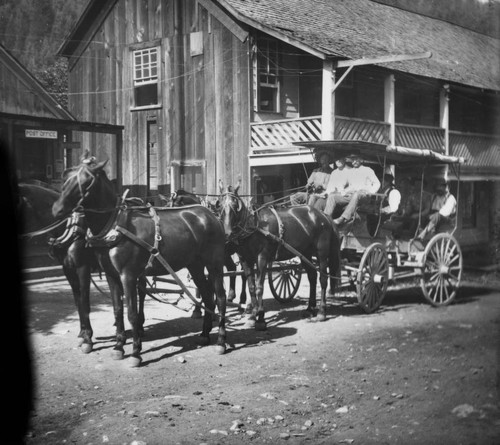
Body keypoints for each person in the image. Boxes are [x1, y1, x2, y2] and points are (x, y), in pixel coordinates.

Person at [323, 154, 381, 225]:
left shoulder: (367, 170)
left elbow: (377, 183)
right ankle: (326, 219)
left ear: (361, 160)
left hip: (364, 196)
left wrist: (370, 192)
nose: (354, 161)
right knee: (332, 196)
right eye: (353, 160)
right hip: (353, 195)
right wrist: (344, 191)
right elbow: (347, 185)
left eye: (356, 159)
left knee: (357, 194)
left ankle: (343, 218)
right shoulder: (351, 171)